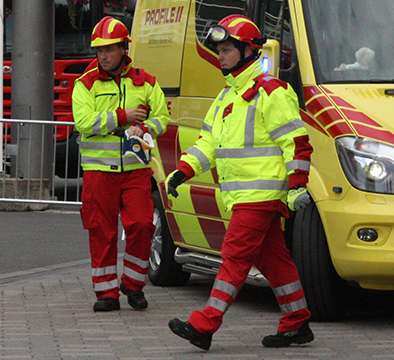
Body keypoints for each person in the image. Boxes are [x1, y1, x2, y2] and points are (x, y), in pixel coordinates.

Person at [165, 15, 314, 350]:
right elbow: (207, 144)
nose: (220, 55)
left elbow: (297, 142)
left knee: (233, 257)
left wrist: (298, 184)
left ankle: (204, 325)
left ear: (248, 51)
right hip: (243, 196)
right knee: (273, 259)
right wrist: (183, 170)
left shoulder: (271, 92)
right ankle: (297, 321)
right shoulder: (226, 98)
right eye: (219, 49)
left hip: (261, 195)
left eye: (227, 49)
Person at [72, 17, 170, 312]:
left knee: (142, 224)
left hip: (136, 170)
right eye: (99, 50)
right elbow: (84, 122)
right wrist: (122, 117)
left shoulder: (147, 81)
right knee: (101, 231)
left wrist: (147, 128)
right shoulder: (85, 83)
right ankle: (106, 294)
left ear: (124, 49)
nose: (103, 56)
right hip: (99, 173)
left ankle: (133, 283)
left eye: (110, 50)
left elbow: (163, 117)